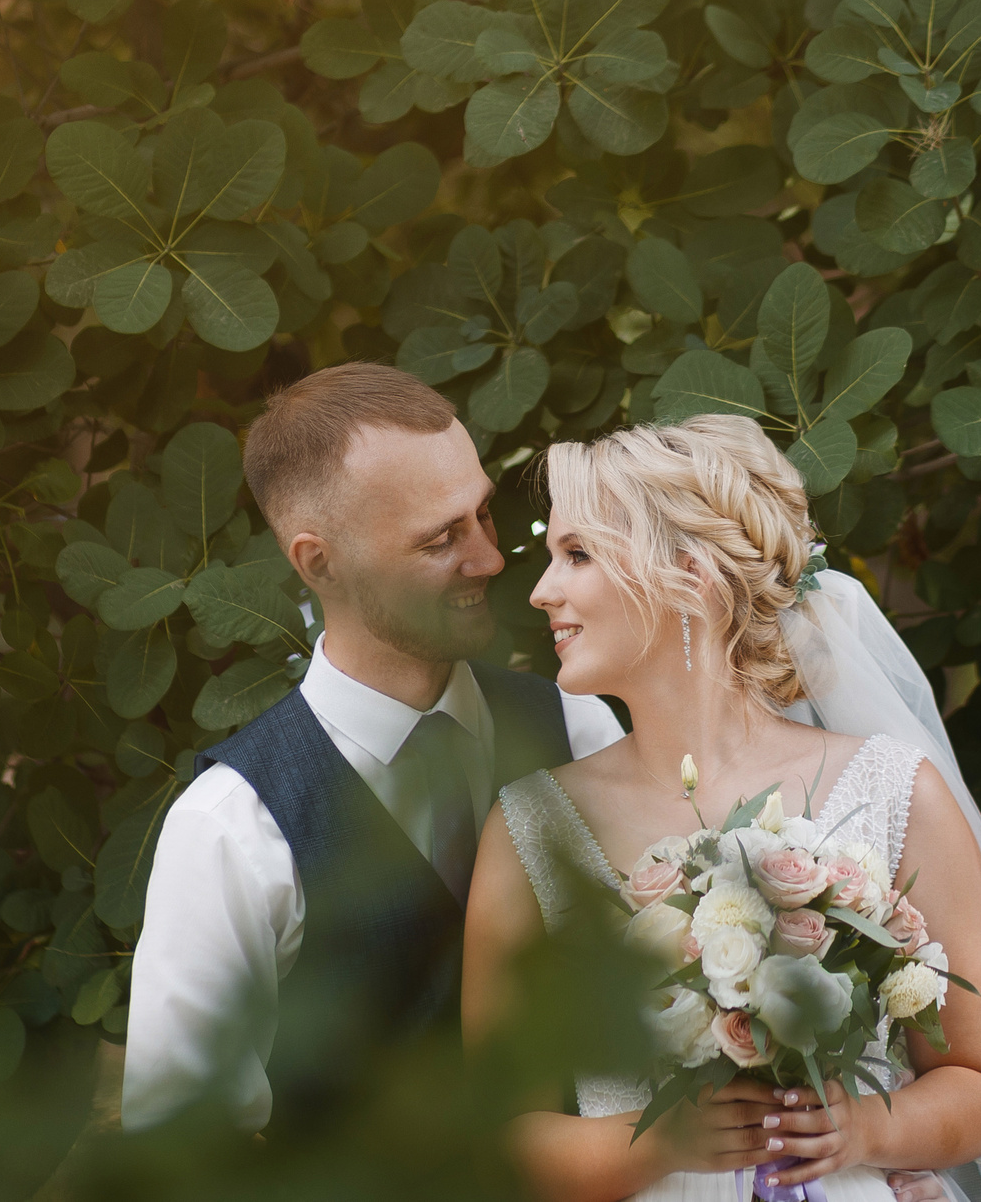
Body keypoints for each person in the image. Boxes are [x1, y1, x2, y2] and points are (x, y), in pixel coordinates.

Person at [461, 415, 981, 1202]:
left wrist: (865, 1127)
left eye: (577, 554)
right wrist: (661, 1140)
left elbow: (978, 1083)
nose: (541, 590)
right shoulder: (534, 826)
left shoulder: (895, 794)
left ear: (689, 573)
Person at [122, 363, 626, 1131]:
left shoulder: (576, 727)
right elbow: (183, 1147)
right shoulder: (230, 828)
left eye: (483, 515)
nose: (490, 559)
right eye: (439, 539)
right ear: (318, 561)